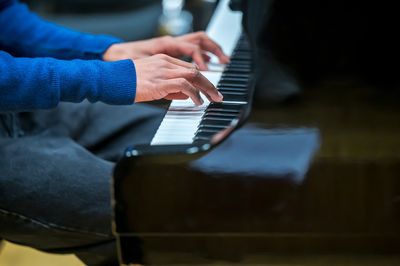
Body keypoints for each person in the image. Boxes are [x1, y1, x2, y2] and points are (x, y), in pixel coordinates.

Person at [0, 0, 229, 265]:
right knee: (161, 213)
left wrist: (108, 51)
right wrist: (102, 77)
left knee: (204, 163)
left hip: (23, 106)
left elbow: (3, 14)